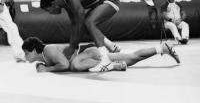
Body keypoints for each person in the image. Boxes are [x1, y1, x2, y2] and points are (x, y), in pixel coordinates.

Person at [40, 0, 122, 66]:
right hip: (100, 2)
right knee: (85, 25)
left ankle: (105, 59)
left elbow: (80, 21)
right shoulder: (65, 1)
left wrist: (72, 48)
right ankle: (111, 46)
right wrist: (72, 46)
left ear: (53, 4)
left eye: (48, 10)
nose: (50, 13)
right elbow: (74, 24)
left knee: (88, 22)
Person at [22, 37, 180, 72]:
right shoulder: (43, 57)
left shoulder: (48, 50)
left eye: (26, 53)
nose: (25, 56)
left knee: (75, 65)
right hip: (88, 56)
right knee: (132, 58)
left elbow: (64, 64)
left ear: (34, 50)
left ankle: (111, 66)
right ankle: (161, 48)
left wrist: (47, 69)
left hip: (87, 51)